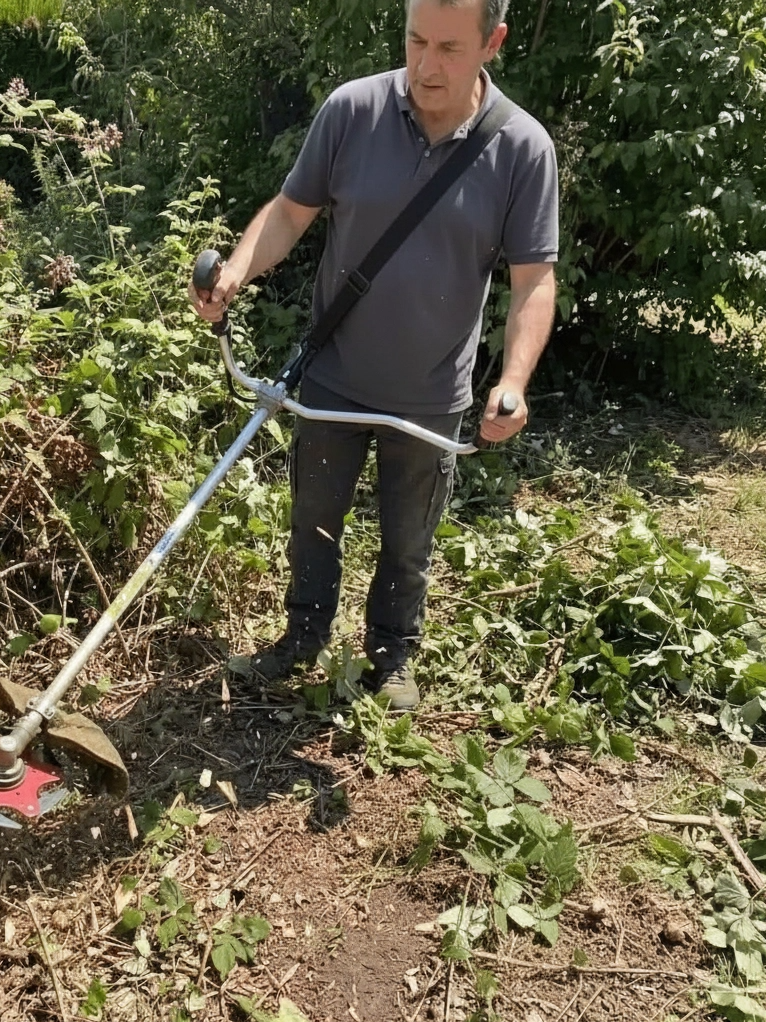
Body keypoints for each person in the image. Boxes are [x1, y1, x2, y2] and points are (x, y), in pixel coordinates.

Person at [189, 0, 558, 709]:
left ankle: (392, 656)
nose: (426, 65)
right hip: (332, 377)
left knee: (407, 538)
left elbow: (534, 279)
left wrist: (513, 380)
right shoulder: (352, 110)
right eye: (416, 40)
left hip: (430, 394)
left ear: (495, 42)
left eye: (450, 48)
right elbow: (290, 212)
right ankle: (301, 637)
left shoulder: (521, 148)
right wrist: (237, 270)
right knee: (313, 520)